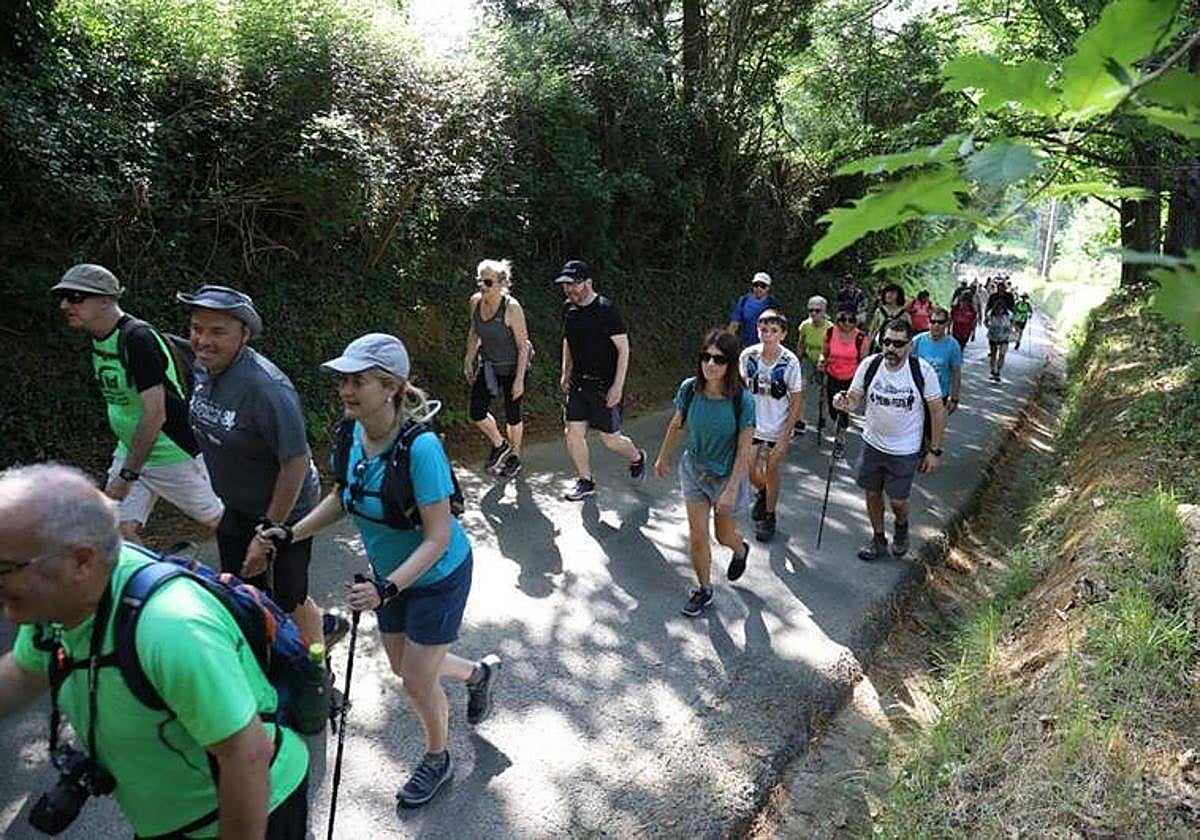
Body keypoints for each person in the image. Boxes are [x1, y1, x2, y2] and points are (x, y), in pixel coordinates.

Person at [0, 464, 309, 838]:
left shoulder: (171, 628)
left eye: (6, 568)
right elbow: (23, 672)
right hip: (172, 820)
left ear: (81, 560)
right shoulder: (59, 605)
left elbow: (246, 755)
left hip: (248, 812)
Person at [262, 333, 501, 808]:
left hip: (436, 575)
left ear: (391, 387)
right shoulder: (350, 433)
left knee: (415, 678)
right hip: (388, 581)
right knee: (404, 666)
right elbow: (341, 496)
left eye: (358, 381)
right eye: (344, 381)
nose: (346, 390)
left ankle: (438, 758)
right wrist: (292, 532)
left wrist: (386, 587)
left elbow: (437, 538)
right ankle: (476, 674)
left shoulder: (422, 448)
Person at [178, 285, 336, 651]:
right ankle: (261, 666)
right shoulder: (204, 368)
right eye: (196, 328)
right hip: (237, 506)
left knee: (289, 598)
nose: (202, 340)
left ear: (244, 334)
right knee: (238, 588)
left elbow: (295, 462)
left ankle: (316, 676)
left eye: (217, 331)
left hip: (285, 516)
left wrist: (266, 533)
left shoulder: (266, 389)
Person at [50, 264, 223, 542]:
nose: (65, 305)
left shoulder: (137, 339)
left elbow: (155, 413)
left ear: (106, 299)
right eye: (64, 297)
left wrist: (127, 474)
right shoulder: (101, 338)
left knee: (220, 521)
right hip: (133, 450)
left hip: (169, 452)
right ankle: (154, 583)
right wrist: (129, 465)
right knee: (120, 529)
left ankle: (263, 567)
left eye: (75, 297)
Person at [654, 329, 755, 617]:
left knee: (723, 536)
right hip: (695, 470)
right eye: (705, 357)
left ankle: (740, 550)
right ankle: (705, 588)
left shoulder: (743, 401)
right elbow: (676, 424)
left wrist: (732, 488)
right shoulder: (689, 389)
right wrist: (663, 457)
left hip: (726, 477)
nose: (710, 364)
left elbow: (744, 450)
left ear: (730, 364)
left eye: (719, 359)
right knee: (697, 536)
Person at [832, 320, 946, 561]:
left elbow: (937, 410)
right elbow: (854, 398)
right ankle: (878, 539)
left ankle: (902, 527)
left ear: (910, 346)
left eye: (898, 343)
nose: (891, 348)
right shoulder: (870, 365)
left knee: (897, 501)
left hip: (905, 449)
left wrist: (934, 451)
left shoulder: (922, 371)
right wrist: (842, 401)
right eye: (886, 342)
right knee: (872, 493)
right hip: (872, 443)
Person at [556, 260, 647, 502]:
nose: (569, 290)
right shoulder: (569, 308)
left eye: (573, 284)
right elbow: (568, 340)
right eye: (565, 285)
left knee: (610, 439)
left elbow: (623, 349)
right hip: (578, 383)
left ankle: (637, 456)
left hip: (603, 386)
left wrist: (617, 386)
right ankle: (585, 481)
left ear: (588, 282)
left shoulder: (606, 310)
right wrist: (566, 371)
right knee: (572, 432)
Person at [739, 310, 804, 542]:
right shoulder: (748, 357)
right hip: (753, 424)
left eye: (774, 331)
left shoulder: (790, 362)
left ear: (783, 334)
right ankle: (764, 492)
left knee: (772, 469)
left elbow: (797, 399)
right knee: (748, 469)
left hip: (778, 426)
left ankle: (769, 515)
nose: (768, 335)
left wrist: (786, 435)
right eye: (764, 330)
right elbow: (742, 391)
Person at [463, 258, 531, 478]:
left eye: (488, 283)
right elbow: (474, 332)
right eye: (480, 282)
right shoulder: (475, 302)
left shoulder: (511, 308)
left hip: (513, 368)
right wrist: (468, 358)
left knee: (513, 415)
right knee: (477, 412)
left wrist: (520, 379)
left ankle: (515, 457)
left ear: (502, 284)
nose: (483, 287)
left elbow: (523, 347)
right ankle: (500, 444)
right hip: (489, 366)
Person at [818, 305, 869, 441]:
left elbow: (865, 362)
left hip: (851, 378)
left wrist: (863, 382)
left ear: (855, 321)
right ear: (837, 320)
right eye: (843, 319)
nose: (846, 323)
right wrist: (822, 361)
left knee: (844, 408)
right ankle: (838, 423)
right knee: (833, 408)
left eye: (851, 320)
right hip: (832, 375)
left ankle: (840, 435)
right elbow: (824, 354)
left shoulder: (861, 338)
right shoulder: (830, 333)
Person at [913, 306, 963, 415]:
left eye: (940, 322)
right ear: (928, 322)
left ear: (946, 324)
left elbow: (956, 373)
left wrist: (954, 398)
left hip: (939, 396)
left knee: (932, 430)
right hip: (917, 395)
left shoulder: (953, 345)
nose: (936, 325)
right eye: (933, 321)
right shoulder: (917, 341)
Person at [794, 295, 829, 434]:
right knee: (801, 387)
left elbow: (833, 348)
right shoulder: (805, 325)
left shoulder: (830, 328)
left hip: (824, 360)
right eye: (811, 310)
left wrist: (825, 360)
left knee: (824, 390)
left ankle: (823, 416)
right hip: (808, 359)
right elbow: (801, 343)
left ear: (824, 311)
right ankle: (799, 420)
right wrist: (798, 359)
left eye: (817, 310)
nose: (814, 313)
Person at [727, 271, 780, 349]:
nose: (759, 288)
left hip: (765, 347)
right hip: (745, 347)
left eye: (763, 286)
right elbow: (734, 324)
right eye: (756, 285)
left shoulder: (772, 304)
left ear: (768, 288)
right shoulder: (744, 300)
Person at [866, 282, 908, 351]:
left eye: (892, 293)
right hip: (879, 346)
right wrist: (868, 346)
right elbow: (872, 330)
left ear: (899, 295)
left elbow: (908, 333)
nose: (888, 295)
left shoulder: (904, 314)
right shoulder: (879, 311)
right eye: (887, 292)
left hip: (897, 348)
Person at [985, 301, 1014, 382]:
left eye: (1001, 309)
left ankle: (998, 371)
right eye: (998, 309)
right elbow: (986, 321)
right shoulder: (991, 314)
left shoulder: (1008, 315)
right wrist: (989, 327)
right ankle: (992, 371)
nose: (999, 311)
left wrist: (1011, 329)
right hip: (993, 337)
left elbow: (1012, 322)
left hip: (1004, 338)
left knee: (1002, 354)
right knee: (993, 354)